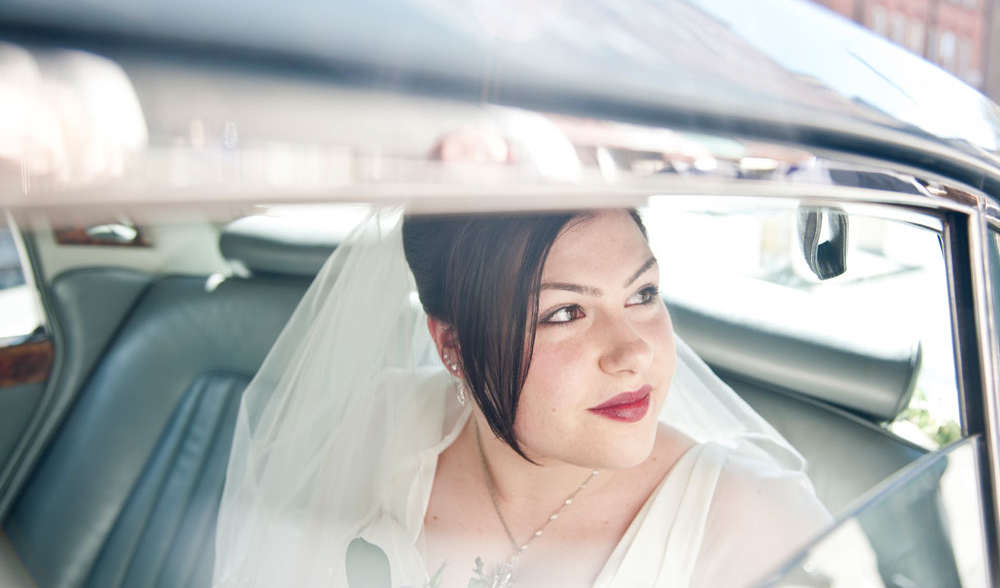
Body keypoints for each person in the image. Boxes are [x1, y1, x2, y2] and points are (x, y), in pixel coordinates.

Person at [213, 208, 831, 588]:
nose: (633, 353)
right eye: (566, 311)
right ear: (451, 343)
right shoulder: (382, 426)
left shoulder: (752, 523)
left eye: (642, 294)